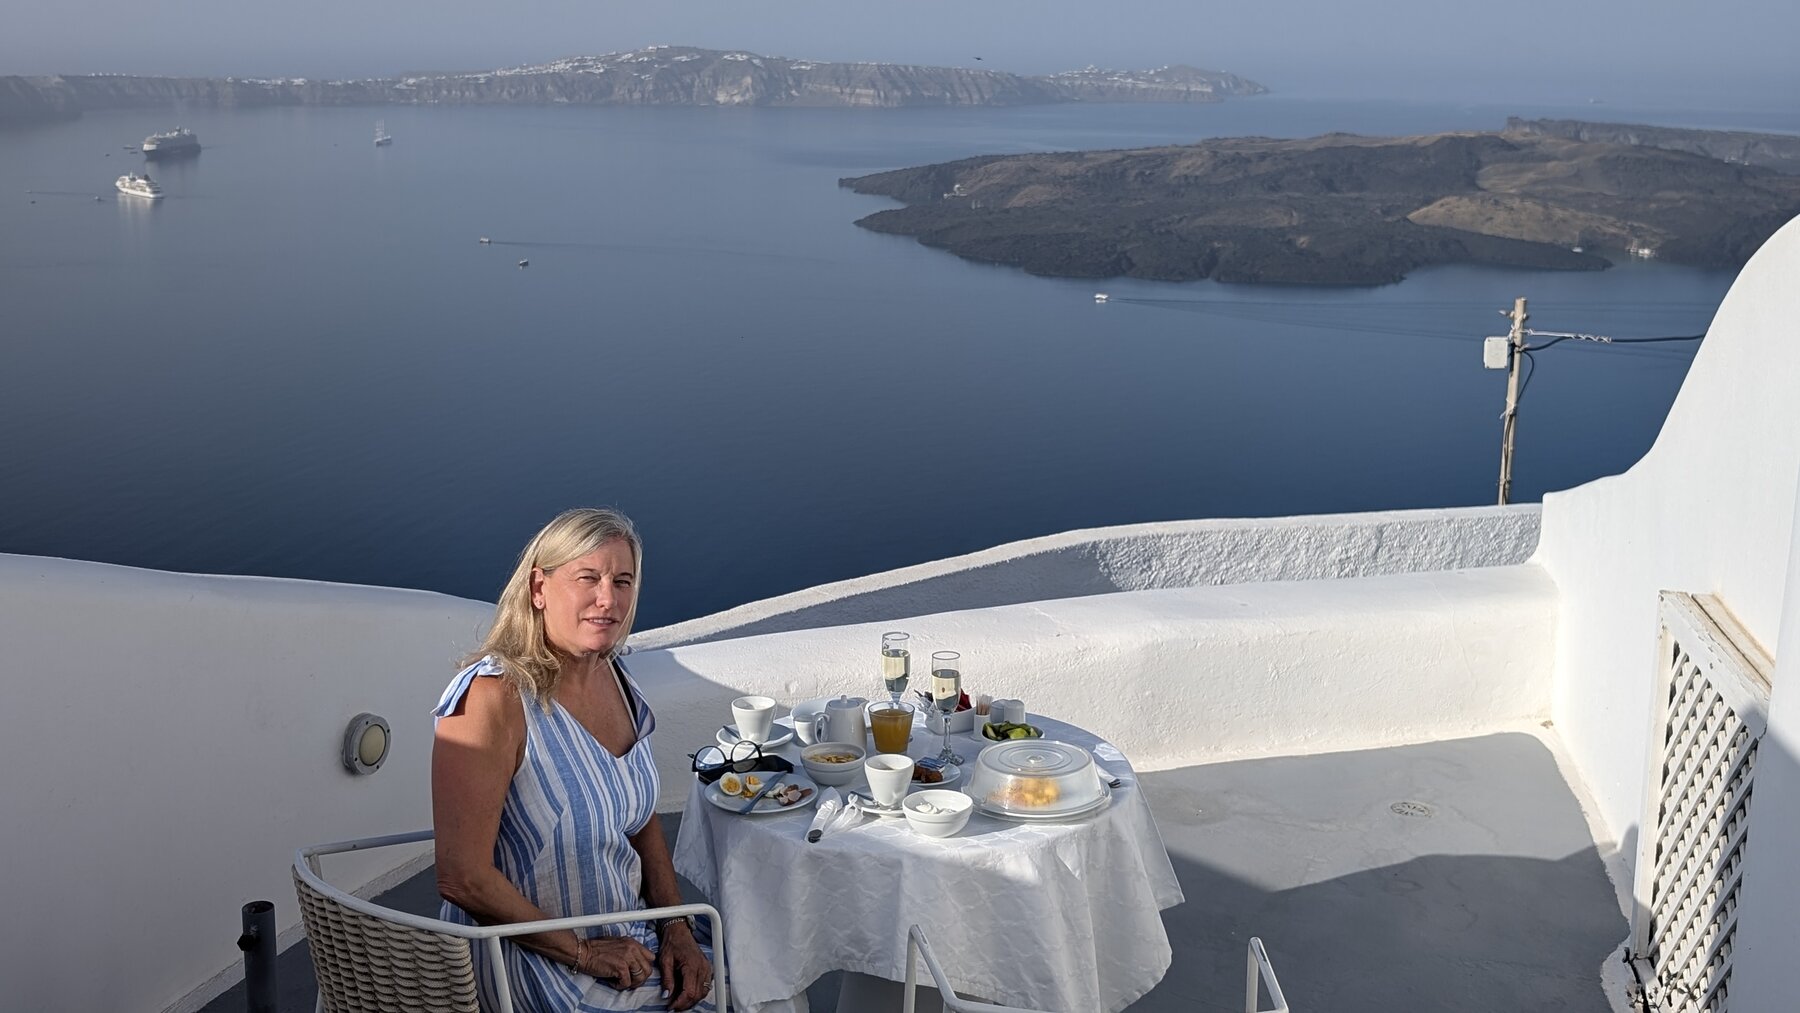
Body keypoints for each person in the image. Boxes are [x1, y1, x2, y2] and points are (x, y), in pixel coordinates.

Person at [432, 508, 713, 1012]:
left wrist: (675, 927)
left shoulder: (614, 676)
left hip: (625, 942)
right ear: (539, 587)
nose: (609, 599)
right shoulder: (493, 698)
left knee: (754, 981)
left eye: (622, 581)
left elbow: (640, 818)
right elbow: (461, 876)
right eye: (589, 578)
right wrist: (582, 953)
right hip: (533, 962)